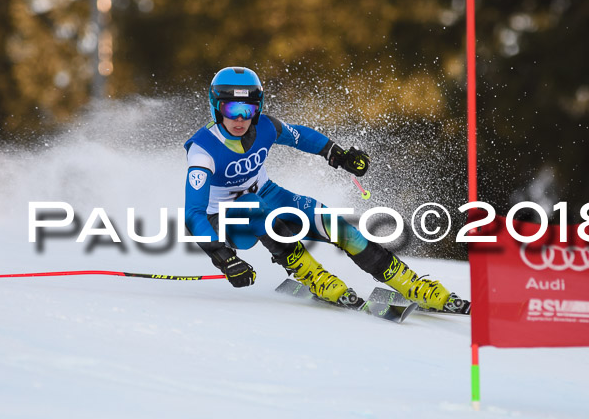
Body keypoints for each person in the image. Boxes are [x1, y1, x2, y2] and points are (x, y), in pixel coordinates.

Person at [184, 66, 459, 311]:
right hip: (223, 220)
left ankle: (409, 283)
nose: (241, 119)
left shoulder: (266, 128)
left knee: (336, 225)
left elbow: (300, 136)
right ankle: (313, 275)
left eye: (249, 109)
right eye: (232, 109)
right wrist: (223, 256)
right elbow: (193, 214)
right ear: (216, 107)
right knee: (253, 206)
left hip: (266, 193)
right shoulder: (202, 151)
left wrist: (336, 154)